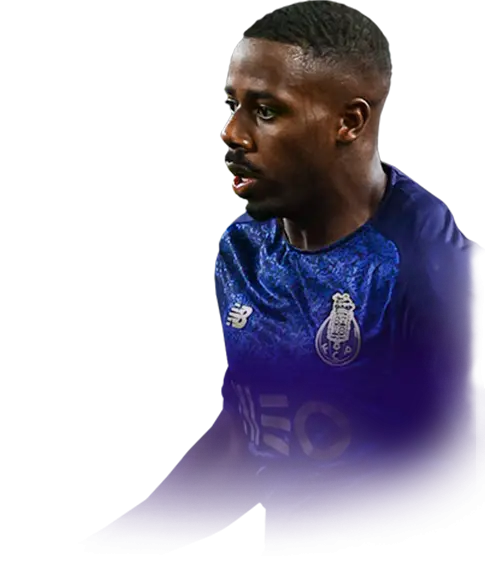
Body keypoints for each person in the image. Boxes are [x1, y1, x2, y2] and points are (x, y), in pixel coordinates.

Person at [81, 0, 484, 557]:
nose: (231, 134)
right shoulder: (244, 252)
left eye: (266, 111)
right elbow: (251, 434)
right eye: (232, 106)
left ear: (349, 122)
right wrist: (123, 544)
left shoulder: (431, 279)